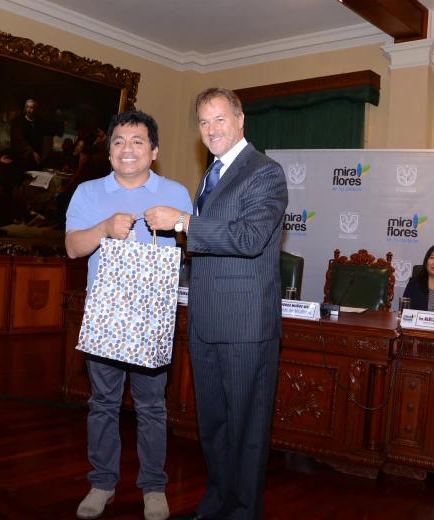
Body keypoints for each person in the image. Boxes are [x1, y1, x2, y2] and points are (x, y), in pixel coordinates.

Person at [145, 87, 289, 520]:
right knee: (213, 426)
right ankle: (216, 504)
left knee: (245, 430)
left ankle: (242, 512)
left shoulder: (265, 171)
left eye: (219, 119)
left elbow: (248, 239)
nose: (211, 130)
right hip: (206, 321)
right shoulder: (210, 175)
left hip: (246, 326)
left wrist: (184, 221)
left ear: (240, 120)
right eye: (204, 122)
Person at [65, 110, 192, 520]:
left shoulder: (175, 192)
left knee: (152, 407)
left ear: (153, 151)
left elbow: (195, 250)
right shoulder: (87, 193)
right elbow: (72, 248)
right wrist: (103, 228)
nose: (127, 149)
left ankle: (153, 488)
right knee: (102, 403)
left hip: (152, 317)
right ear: (109, 150)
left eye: (138, 141)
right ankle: (101, 483)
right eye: (119, 141)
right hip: (105, 315)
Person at [10, 98, 64, 173]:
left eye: (31, 108)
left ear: (35, 109)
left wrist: (61, 125)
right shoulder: (18, 121)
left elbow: (49, 126)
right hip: (22, 158)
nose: (28, 110)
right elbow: (19, 140)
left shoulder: (38, 121)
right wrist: (31, 152)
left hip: (35, 157)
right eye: (27, 107)